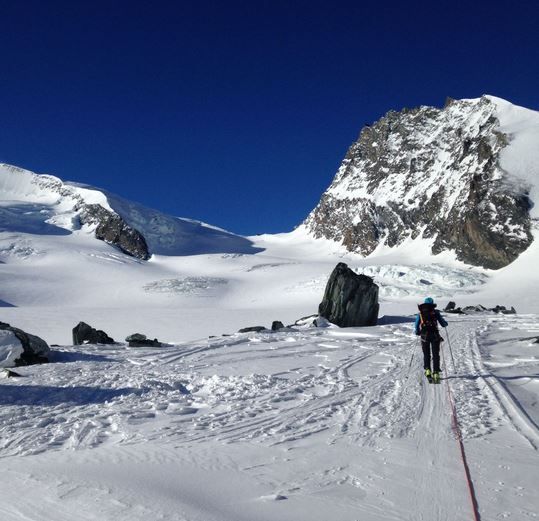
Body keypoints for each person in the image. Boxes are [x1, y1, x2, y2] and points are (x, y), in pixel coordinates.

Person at [414, 297, 448, 383]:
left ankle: (428, 370)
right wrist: (445, 324)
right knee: (435, 354)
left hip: (424, 336)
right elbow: (443, 323)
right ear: (433, 304)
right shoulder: (435, 312)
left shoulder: (421, 313)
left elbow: (416, 324)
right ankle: (436, 372)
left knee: (426, 354)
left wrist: (417, 332)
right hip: (435, 335)